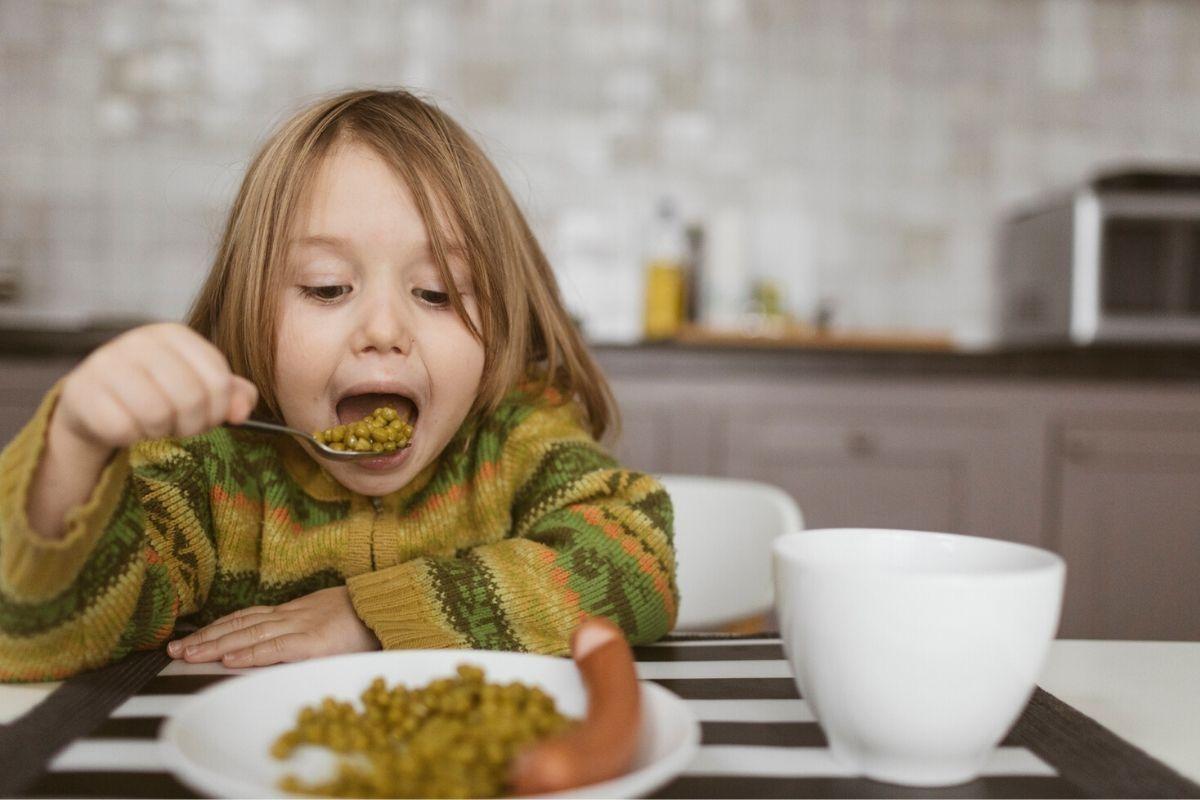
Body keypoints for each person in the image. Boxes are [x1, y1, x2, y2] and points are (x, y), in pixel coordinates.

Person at [0, 89, 677, 682]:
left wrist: (370, 611)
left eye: (437, 293)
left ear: (499, 326)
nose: (383, 329)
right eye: (327, 288)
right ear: (247, 308)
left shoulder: (517, 432)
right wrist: (75, 448)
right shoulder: (207, 469)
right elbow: (36, 636)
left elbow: (635, 559)